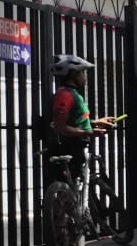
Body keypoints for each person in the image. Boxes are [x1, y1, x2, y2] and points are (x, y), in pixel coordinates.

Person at [50, 54, 117, 183]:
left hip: (77, 148)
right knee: (71, 192)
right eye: (82, 72)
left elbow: (75, 120)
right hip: (70, 150)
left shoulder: (73, 94)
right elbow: (60, 127)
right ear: (73, 74)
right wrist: (88, 132)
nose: (84, 77)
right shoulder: (65, 95)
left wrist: (97, 122)